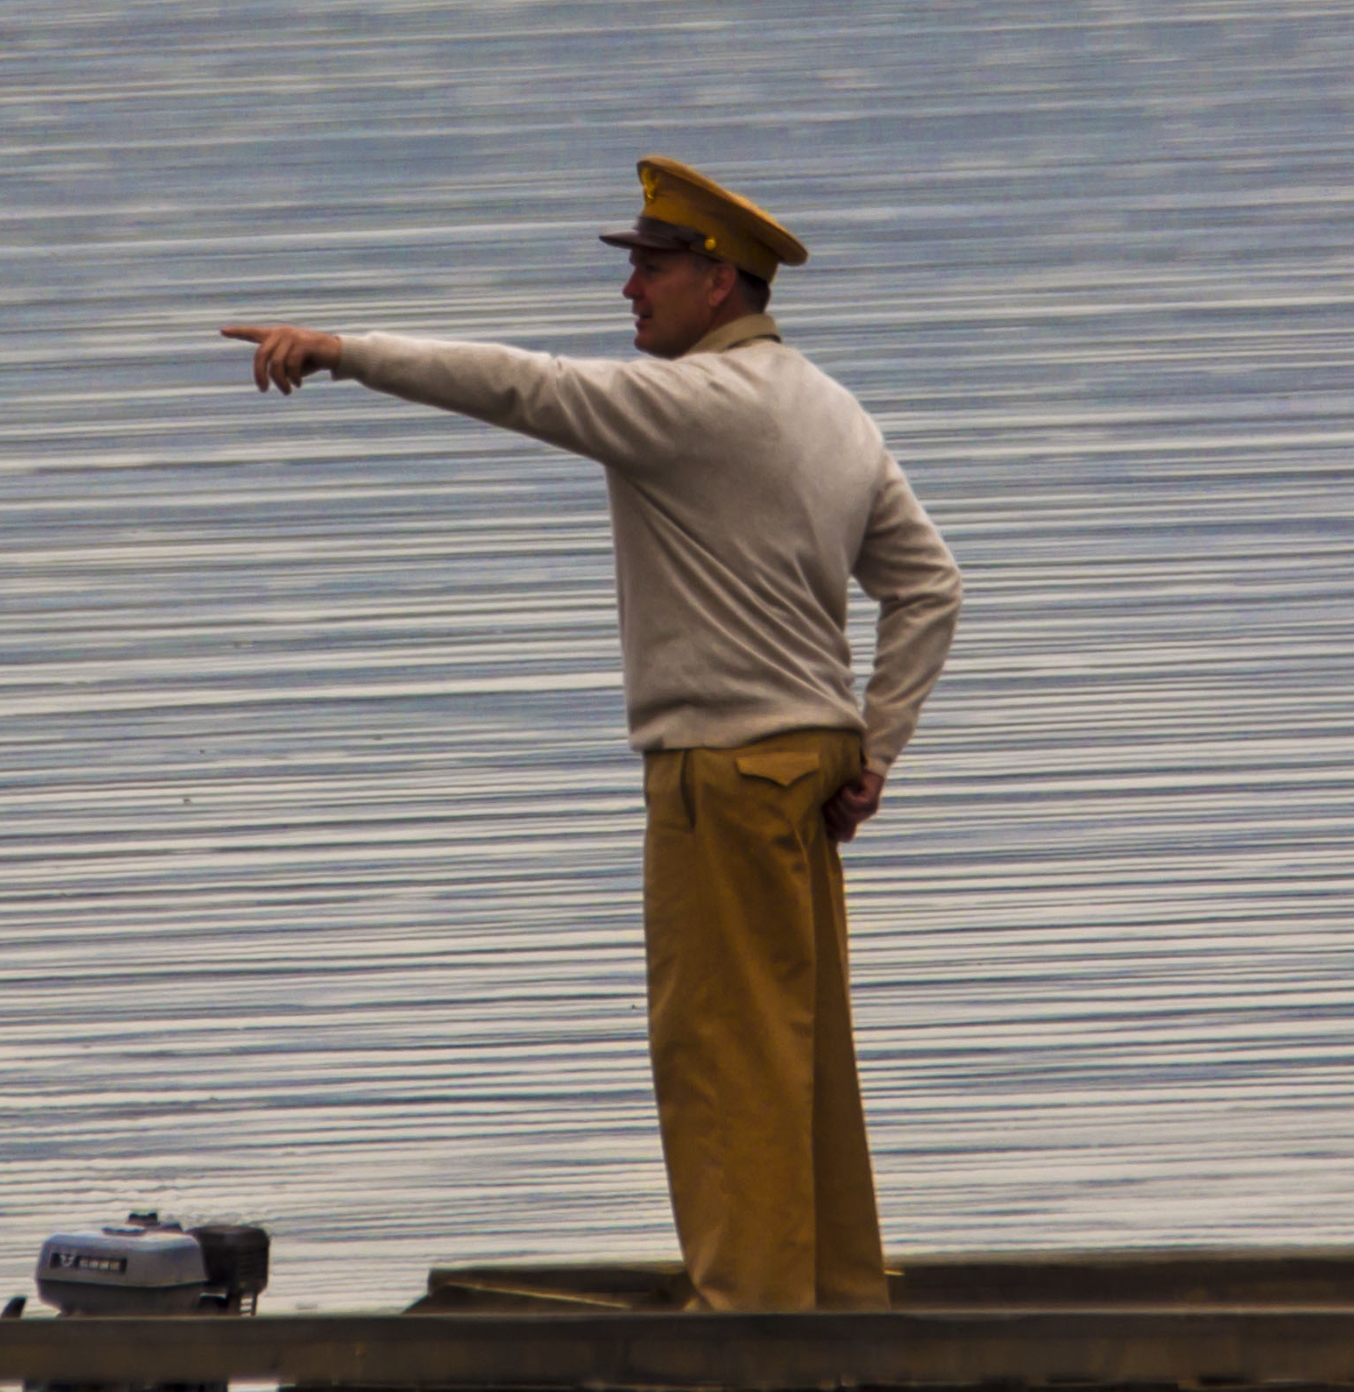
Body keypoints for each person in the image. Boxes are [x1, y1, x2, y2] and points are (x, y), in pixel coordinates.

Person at [222, 157, 961, 1312]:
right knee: (802, 1047)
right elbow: (928, 588)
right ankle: (834, 1294)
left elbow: (519, 387)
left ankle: (751, 1318)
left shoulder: (690, 406)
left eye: (652, 270)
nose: (630, 293)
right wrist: (874, 748)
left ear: (719, 283)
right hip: (806, 755)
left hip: (724, 770)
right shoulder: (831, 407)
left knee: (720, 1051)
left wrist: (339, 349)